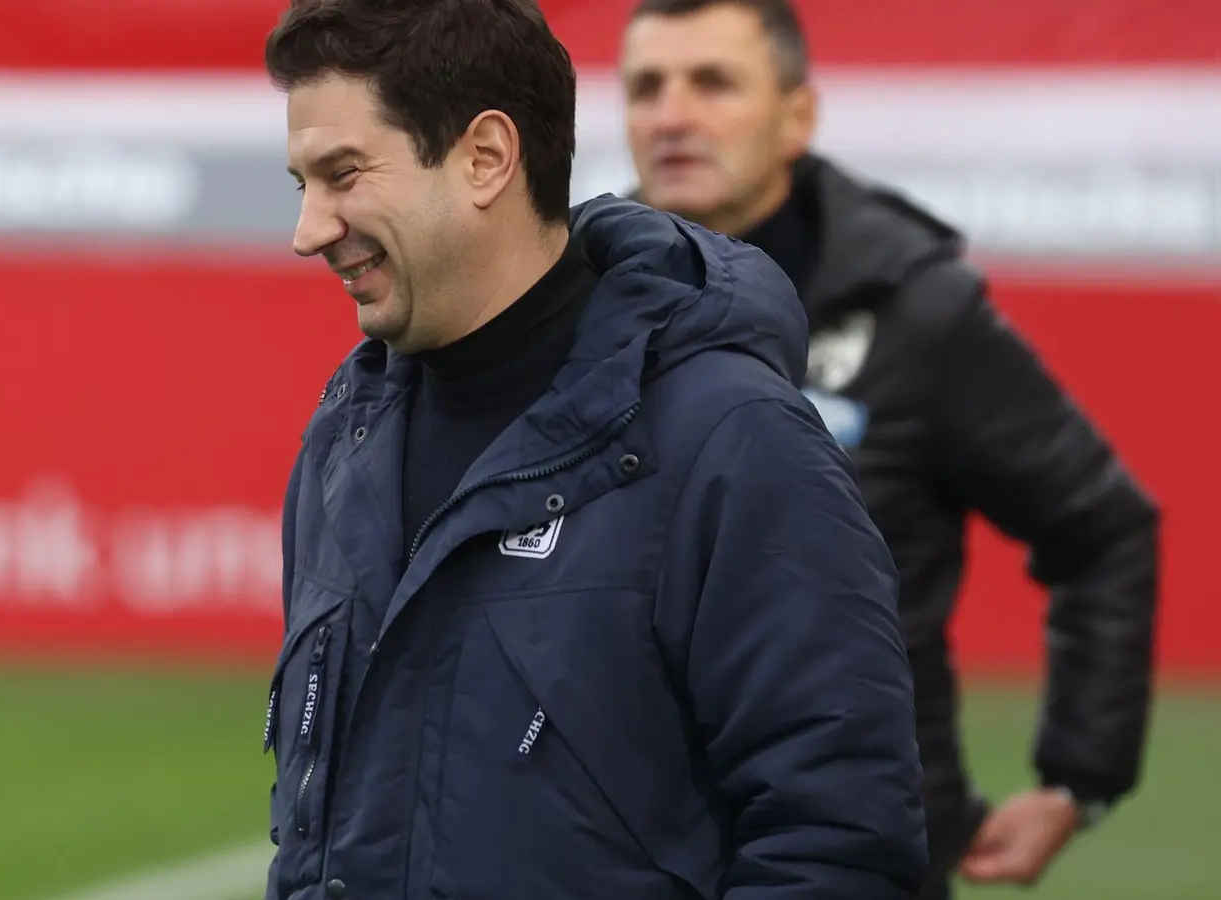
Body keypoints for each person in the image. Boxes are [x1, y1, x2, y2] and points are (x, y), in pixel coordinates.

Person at [260, 1, 928, 898]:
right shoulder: (345, 439)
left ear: (486, 157)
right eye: (304, 185)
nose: (311, 231)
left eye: (344, 174)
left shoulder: (733, 440)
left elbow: (838, 845)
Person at [618, 2, 1162, 898]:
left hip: (860, 852)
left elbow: (1101, 527)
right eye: (647, 87)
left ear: (798, 115)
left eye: (713, 83)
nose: (673, 115)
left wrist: (1080, 777)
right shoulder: (569, 299)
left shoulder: (918, 308)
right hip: (619, 849)